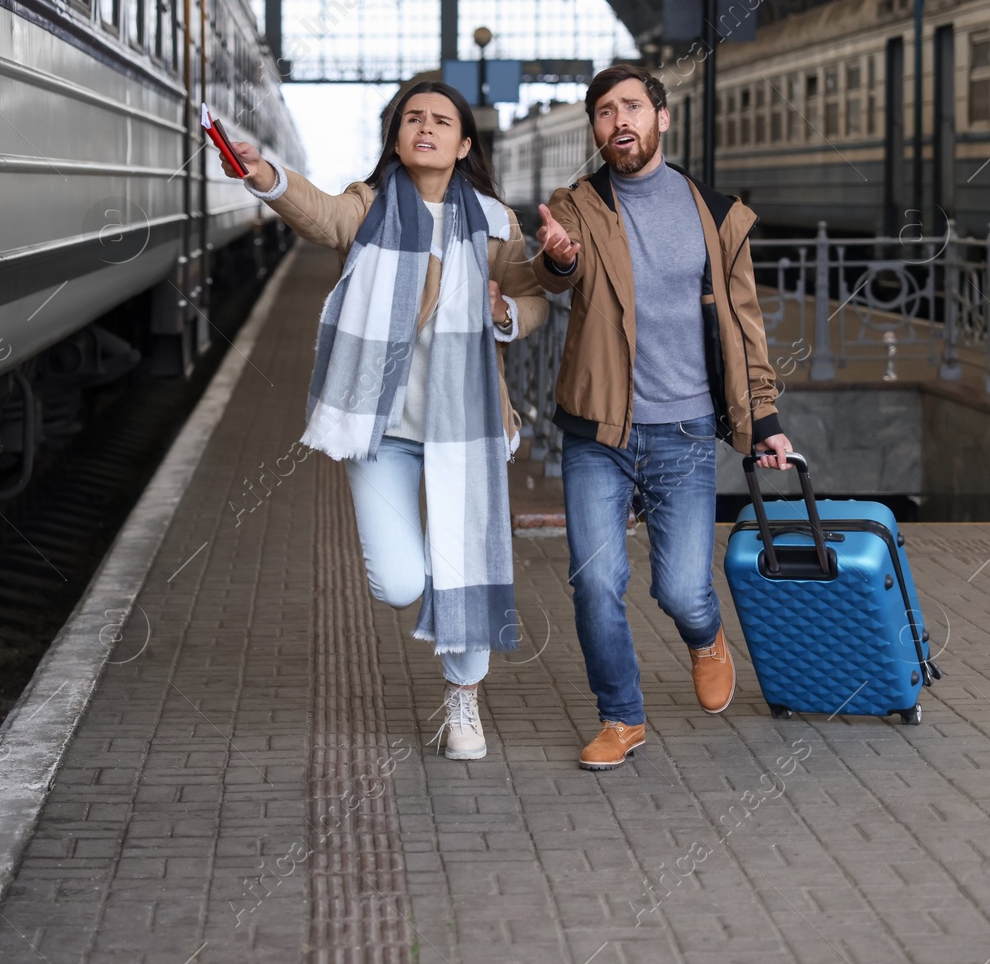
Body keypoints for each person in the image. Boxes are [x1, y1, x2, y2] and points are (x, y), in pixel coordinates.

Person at [218, 81, 548, 760]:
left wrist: (504, 312)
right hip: (381, 425)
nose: (424, 128)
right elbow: (319, 216)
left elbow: (529, 296)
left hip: (466, 428)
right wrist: (266, 176)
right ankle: (450, 583)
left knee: (462, 564)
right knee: (398, 580)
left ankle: (464, 700)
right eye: (412, 119)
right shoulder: (367, 206)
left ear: (463, 145)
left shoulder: (493, 220)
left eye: (441, 121)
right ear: (396, 137)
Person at [531, 64, 794, 771]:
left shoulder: (716, 213)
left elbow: (744, 324)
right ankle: (621, 716)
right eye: (606, 112)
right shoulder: (580, 205)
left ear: (662, 118)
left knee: (680, 588)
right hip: (598, 432)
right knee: (594, 579)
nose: (620, 121)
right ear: (596, 129)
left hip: (683, 432)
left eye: (632, 108)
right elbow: (561, 270)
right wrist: (556, 261)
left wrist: (763, 417)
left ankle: (706, 636)